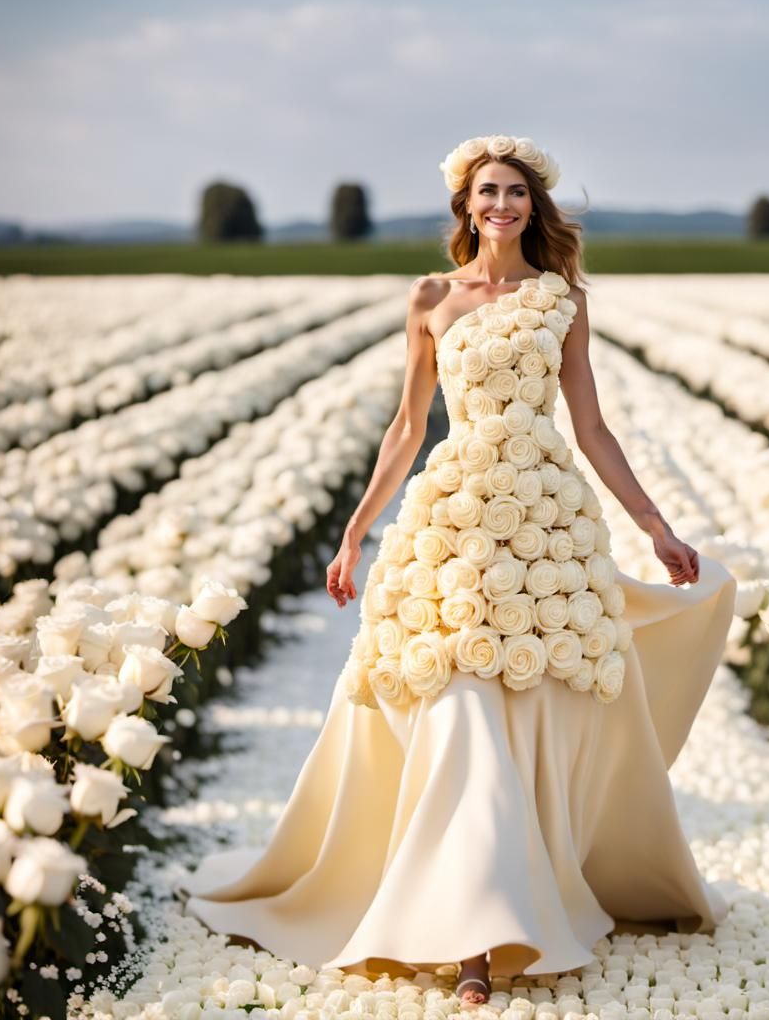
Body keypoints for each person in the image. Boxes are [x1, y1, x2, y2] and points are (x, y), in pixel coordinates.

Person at [179, 133, 738, 1010]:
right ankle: (474, 939)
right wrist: (355, 533)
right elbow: (408, 429)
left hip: (546, 521)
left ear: (533, 205)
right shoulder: (432, 297)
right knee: (460, 710)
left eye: (516, 192)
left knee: (532, 713)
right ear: (466, 205)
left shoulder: (561, 300)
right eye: (489, 191)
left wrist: (656, 528)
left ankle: (517, 898)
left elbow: (592, 429)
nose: (503, 205)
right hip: (452, 522)